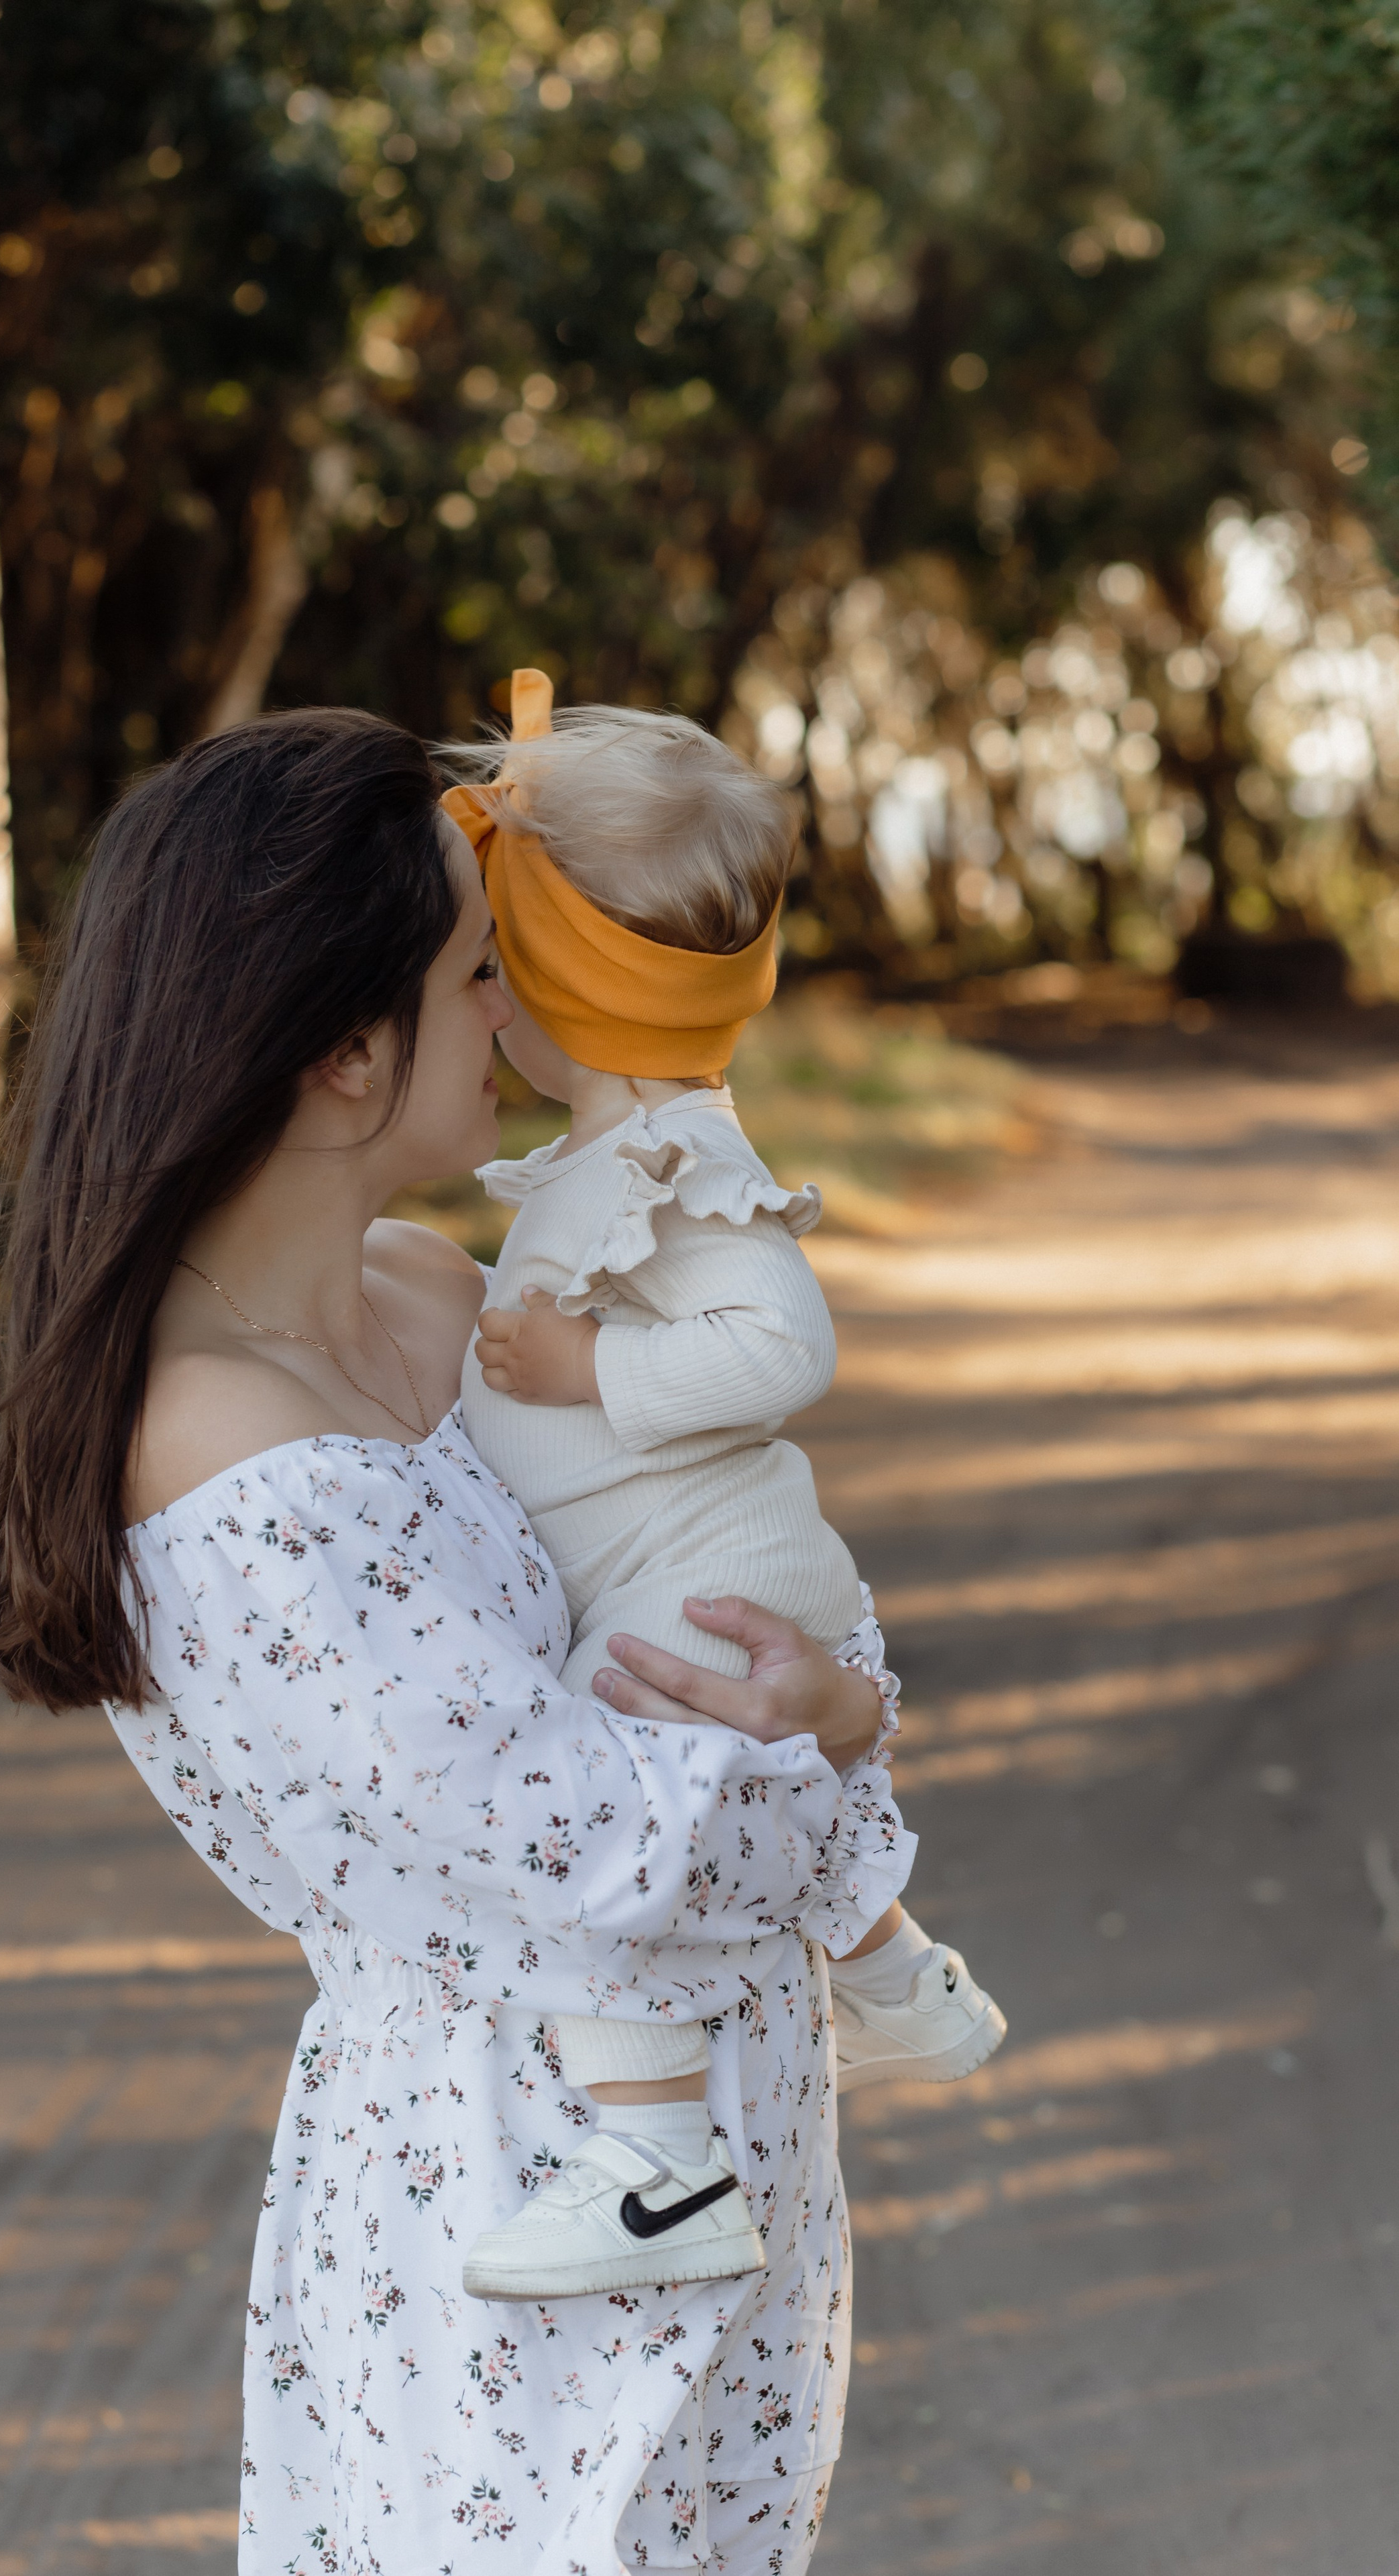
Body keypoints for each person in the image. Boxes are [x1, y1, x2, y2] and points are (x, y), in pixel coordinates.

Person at [0, 707, 915, 2576]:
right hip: (512, 2207)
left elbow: (720, 1577)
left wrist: (812, 1709)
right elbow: (601, 1839)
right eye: (483, 969)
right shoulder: (224, 1454)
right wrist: (842, 1733)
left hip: (714, 2153)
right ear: (339, 1050)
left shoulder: (438, 1294)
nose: (521, 1011)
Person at [442, 674, 1005, 2304]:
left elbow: (784, 1346)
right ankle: (902, 1986)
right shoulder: (630, 1153)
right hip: (705, 1573)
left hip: (692, 1580)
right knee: (735, 1808)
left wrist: (589, 1380)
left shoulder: (673, 1162)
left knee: (591, 1841)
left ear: (561, 990)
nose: (485, 1005)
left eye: (495, 966)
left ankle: (656, 2163)